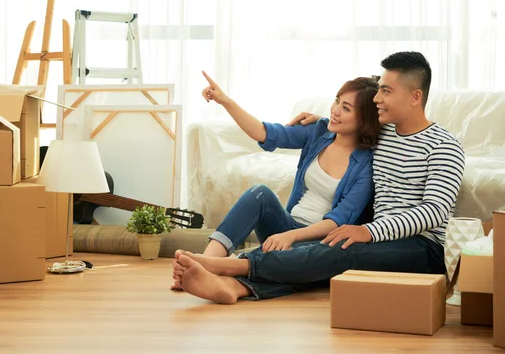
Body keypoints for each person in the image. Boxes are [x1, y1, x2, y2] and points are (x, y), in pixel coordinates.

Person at [172, 52, 466, 304]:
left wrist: (369, 232)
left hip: (422, 248)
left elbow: (435, 211)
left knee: (339, 251)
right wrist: (322, 121)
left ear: (416, 96)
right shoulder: (382, 133)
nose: (378, 97)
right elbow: (352, 124)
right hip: (380, 239)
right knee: (330, 255)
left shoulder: (444, 146)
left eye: (386, 91)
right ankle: (234, 287)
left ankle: (230, 267)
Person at [170, 70, 381, 290]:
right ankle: (204, 263)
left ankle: (225, 280)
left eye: (346, 108)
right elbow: (265, 132)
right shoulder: (319, 131)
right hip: (285, 225)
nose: (335, 110)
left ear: (364, 120)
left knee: (289, 262)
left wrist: (289, 237)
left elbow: (338, 221)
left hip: (318, 243)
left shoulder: (366, 165)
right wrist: (224, 100)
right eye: (337, 101)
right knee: (260, 193)